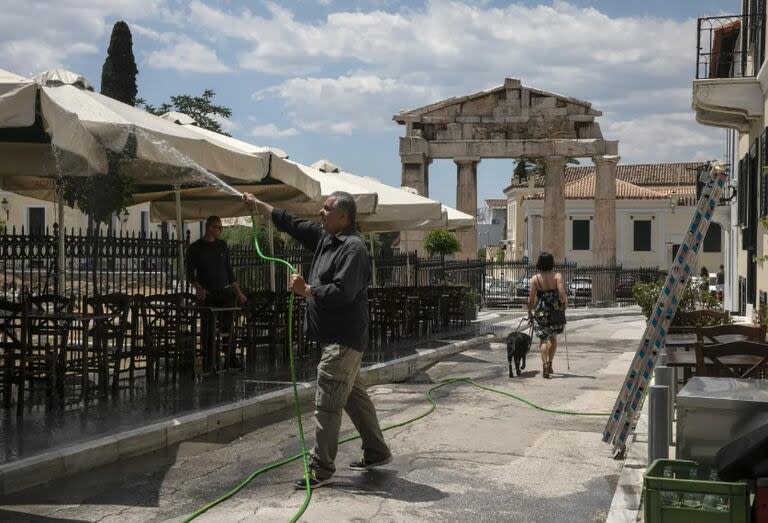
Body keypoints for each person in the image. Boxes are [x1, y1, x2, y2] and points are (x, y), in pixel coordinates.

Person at [243, 191, 391, 490]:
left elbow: (342, 292)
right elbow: (292, 223)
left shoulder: (353, 249)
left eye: (326, 209)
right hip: (337, 340)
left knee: (327, 403)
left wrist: (307, 290)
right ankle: (376, 451)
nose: (320, 213)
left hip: (343, 341)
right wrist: (261, 206)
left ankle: (321, 468)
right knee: (354, 398)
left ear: (343, 217)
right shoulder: (326, 238)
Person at [186, 216, 247, 367]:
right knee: (208, 327)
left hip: (224, 292)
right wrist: (199, 288)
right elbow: (190, 274)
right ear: (210, 228)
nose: (221, 230)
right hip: (208, 294)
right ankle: (209, 359)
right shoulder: (195, 248)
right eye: (218, 228)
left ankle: (230, 356)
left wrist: (238, 292)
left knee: (229, 325)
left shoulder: (222, 246)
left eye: (221, 228)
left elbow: (229, 271)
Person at [527, 252, 567, 379]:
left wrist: (529, 313)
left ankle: (544, 365)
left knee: (543, 339)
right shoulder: (557, 276)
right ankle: (550, 363)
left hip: (541, 312)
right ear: (551, 263)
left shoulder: (535, 279)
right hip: (555, 311)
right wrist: (564, 304)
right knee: (553, 339)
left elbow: (531, 300)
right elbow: (561, 294)